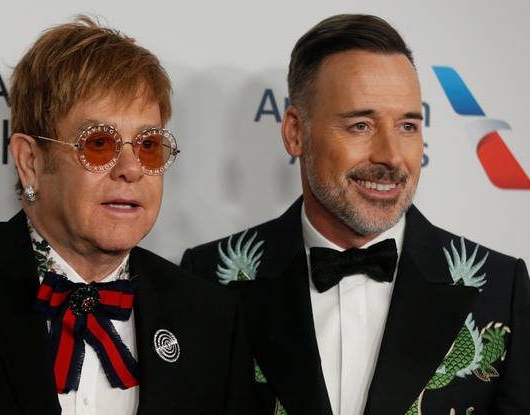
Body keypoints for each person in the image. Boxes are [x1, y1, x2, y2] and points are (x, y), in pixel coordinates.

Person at [181, 14, 530, 415]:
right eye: (361, 125)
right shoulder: (208, 279)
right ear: (296, 132)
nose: (391, 156)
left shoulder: (500, 290)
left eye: (408, 126)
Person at [0, 16, 253, 415]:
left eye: (149, 145)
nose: (132, 169)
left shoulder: (211, 320)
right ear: (30, 161)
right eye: (100, 143)